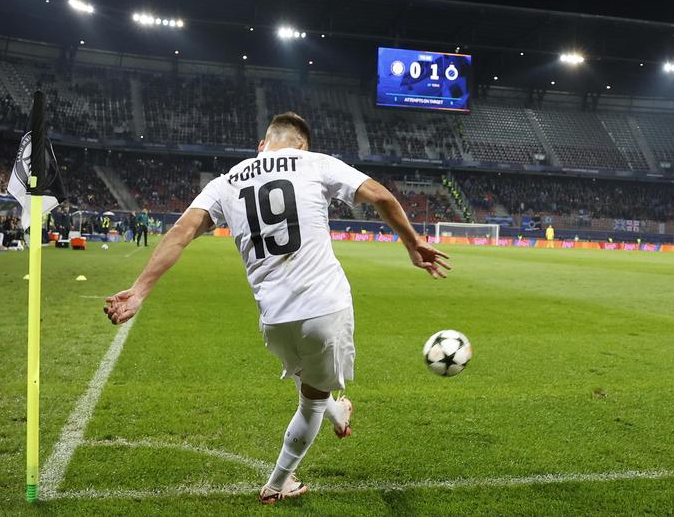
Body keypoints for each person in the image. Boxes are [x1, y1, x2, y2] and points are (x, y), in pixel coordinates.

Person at [103, 112, 451, 504]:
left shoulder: (226, 181)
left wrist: (139, 290)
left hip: (273, 317)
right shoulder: (315, 162)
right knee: (312, 400)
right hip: (323, 306)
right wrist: (411, 244)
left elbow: (181, 232)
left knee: (310, 375)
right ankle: (278, 482)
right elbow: (382, 197)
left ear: (262, 145)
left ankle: (337, 412)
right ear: (302, 144)